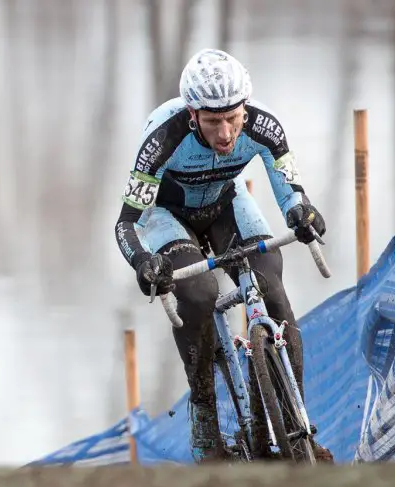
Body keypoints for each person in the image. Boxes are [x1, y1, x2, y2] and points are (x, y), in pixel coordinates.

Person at [113, 48, 332, 464]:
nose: (227, 133)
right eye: (214, 122)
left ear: (245, 108)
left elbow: (292, 193)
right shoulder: (163, 138)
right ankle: (204, 419)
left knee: (271, 284)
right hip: (167, 217)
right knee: (197, 295)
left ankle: (296, 427)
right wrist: (143, 262)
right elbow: (126, 223)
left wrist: (303, 213)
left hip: (224, 204)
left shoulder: (264, 125)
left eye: (233, 118)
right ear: (193, 115)